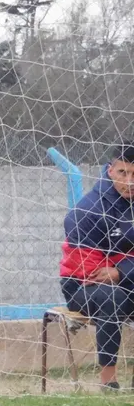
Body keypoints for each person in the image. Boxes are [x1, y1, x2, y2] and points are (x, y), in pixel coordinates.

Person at [59, 142, 134, 390]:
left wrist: (119, 270)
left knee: (119, 291)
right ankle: (108, 381)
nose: (130, 181)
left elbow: (112, 272)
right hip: (81, 286)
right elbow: (91, 272)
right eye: (123, 173)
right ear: (110, 170)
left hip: (123, 279)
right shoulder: (86, 211)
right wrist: (123, 269)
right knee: (113, 297)